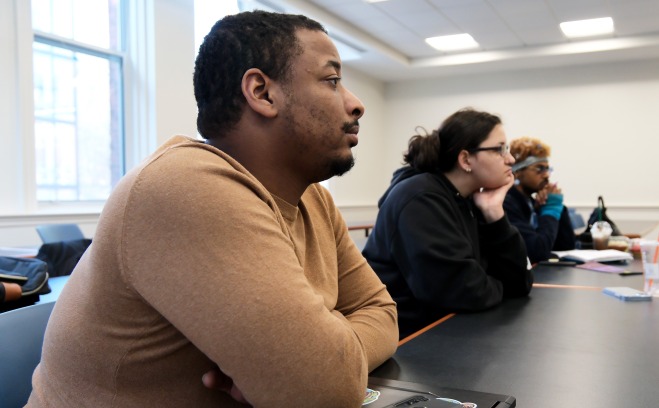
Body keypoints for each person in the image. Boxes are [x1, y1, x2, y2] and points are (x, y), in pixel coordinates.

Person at [27, 11, 398, 408]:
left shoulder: (312, 198)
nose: (355, 104)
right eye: (332, 80)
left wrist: (326, 355)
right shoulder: (185, 185)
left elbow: (380, 312)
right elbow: (324, 392)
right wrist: (313, 364)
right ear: (262, 92)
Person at [362, 108, 533, 339]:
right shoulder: (420, 198)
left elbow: (519, 282)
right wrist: (499, 284)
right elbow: (462, 291)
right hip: (406, 343)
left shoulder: (470, 200)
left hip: (446, 331)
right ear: (465, 159)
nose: (510, 159)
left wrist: (494, 213)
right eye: (500, 149)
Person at [503, 137, 576, 263]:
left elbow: (566, 245)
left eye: (547, 169)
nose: (547, 175)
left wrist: (556, 206)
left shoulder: (530, 202)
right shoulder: (507, 203)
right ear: (518, 172)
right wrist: (551, 208)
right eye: (539, 168)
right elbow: (537, 252)